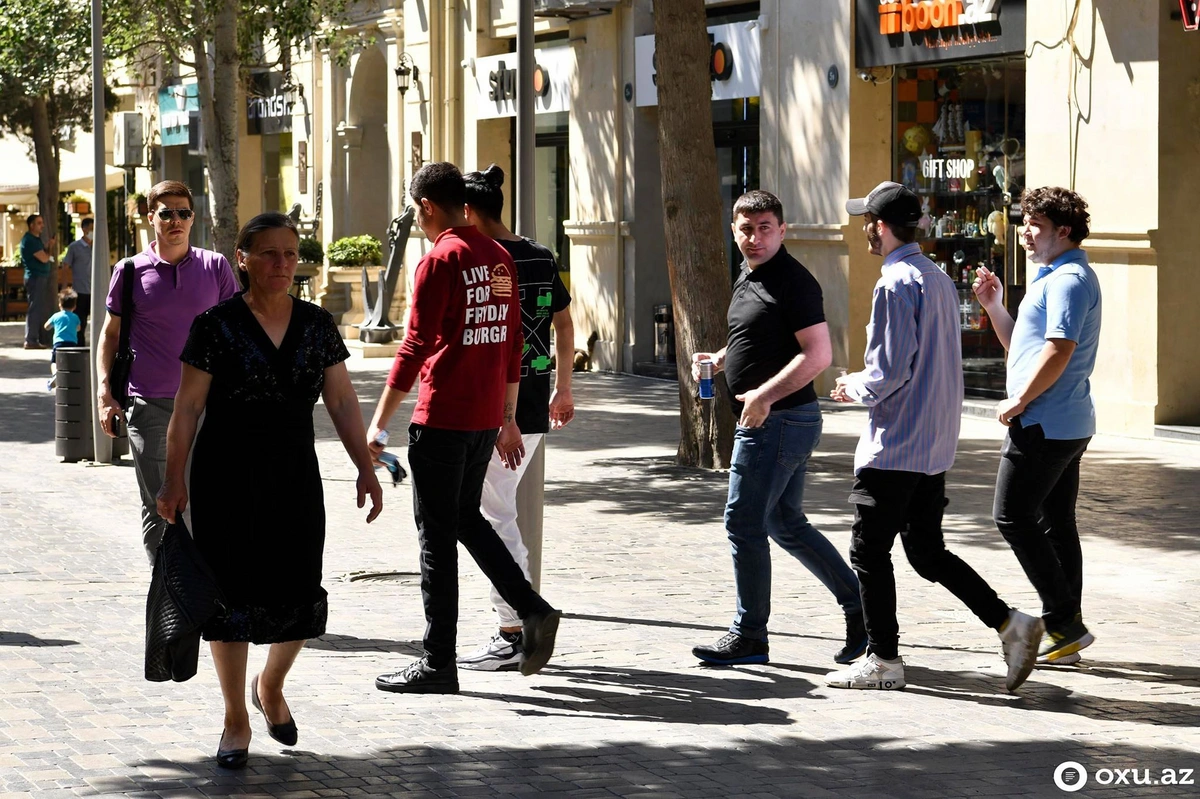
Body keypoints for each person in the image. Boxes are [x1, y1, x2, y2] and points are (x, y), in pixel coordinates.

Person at [156, 212, 383, 770]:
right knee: (228, 597)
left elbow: (343, 402)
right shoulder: (215, 324)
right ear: (244, 258)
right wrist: (173, 478)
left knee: (299, 588)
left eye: (290, 253)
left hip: (293, 475)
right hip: (225, 475)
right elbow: (187, 409)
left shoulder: (317, 324)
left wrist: (365, 466)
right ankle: (235, 717)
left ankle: (271, 685)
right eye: (269, 254)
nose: (282, 264)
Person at [826, 181, 1043, 693]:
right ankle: (1011, 623)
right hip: (933, 442)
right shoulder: (938, 279)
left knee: (868, 550)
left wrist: (849, 384)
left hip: (898, 442)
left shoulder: (895, 282)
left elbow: (887, 372)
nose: (864, 231)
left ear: (878, 226)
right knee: (925, 552)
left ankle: (883, 659)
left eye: (867, 222)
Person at [368, 162, 561, 694]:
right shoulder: (498, 257)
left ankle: (438, 662)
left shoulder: (440, 260)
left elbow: (413, 348)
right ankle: (531, 607)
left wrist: (378, 425)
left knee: (436, 541)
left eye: (415, 212)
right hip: (483, 420)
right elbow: (512, 346)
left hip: (443, 418)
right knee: (466, 521)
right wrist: (504, 417)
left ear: (427, 206)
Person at [690, 189, 867, 668]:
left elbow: (818, 355)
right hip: (777, 419)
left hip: (780, 420)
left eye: (765, 228)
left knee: (743, 522)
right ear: (734, 230)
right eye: (746, 229)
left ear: (783, 230)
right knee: (783, 522)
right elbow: (758, 338)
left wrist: (764, 396)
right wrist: (721, 360)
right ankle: (863, 609)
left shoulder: (794, 281)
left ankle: (750, 635)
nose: (755, 237)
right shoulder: (749, 276)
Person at [972, 187, 1102, 666]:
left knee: (1011, 516)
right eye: (1024, 223)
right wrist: (994, 306)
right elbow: (1025, 349)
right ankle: (1068, 633)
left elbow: (1058, 351)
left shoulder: (1068, 280)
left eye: (1035, 226)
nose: (1024, 232)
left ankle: (1065, 621)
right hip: (1063, 420)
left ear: (1062, 231)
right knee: (1055, 524)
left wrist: (1020, 401)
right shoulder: (1056, 276)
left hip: (1045, 422)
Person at [457, 164, 575, 672]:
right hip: (528, 403)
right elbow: (565, 326)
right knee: (494, 509)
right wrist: (564, 389)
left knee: (494, 513)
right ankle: (515, 623)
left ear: (467, 211)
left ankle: (514, 627)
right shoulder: (542, 256)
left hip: (496, 408)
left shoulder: (484, 261)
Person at [96, 181, 239, 563]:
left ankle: (205, 591)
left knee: (206, 500)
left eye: (183, 212)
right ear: (151, 218)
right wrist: (105, 393)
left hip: (209, 405)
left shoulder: (215, 266)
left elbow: (235, 333)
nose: (175, 220)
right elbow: (110, 335)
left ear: (193, 218)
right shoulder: (129, 271)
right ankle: (168, 596)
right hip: (150, 405)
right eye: (166, 213)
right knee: (160, 503)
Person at [20, 213, 56, 349]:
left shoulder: (36, 239)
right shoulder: (29, 240)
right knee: (34, 309)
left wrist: (49, 246)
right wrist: (48, 250)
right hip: (35, 277)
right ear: (31, 225)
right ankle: (31, 339)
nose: (42, 226)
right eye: (39, 223)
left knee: (37, 308)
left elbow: (45, 254)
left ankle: (34, 338)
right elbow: (44, 258)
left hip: (39, 277)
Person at [61, 217, 94, 340]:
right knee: (81, 319)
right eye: (91, 229)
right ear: (84, 229)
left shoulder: (97, 247)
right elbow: (66, 265)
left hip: (95, 290)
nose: (92, 232)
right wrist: (65, 285)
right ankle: (79, 343)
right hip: (80, 289)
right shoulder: (74, 247)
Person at [43, 290, 81, 390]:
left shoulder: (56, 316)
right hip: (72, 343)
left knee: (54, 361)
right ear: (74, 306)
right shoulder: (75, 317)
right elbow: (78, 328)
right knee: (71, 360)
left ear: (60, 304)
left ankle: (56, 374)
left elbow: (46, 326)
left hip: (58, 343)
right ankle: (70, 377)